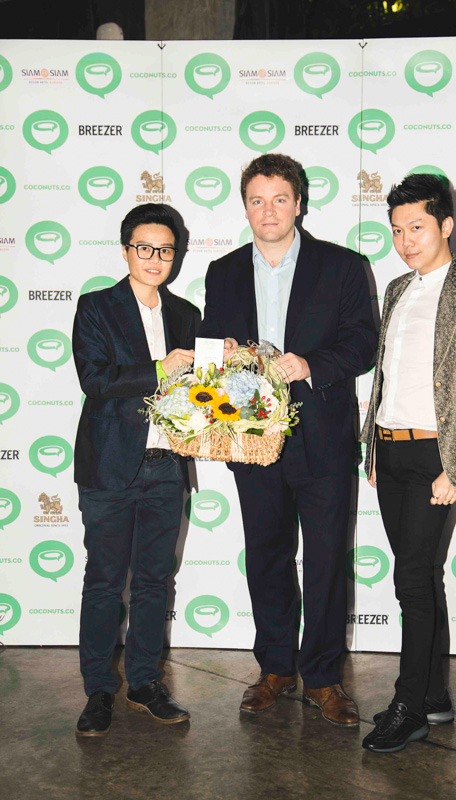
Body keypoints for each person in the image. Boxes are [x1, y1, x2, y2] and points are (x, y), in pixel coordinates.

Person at [199, 153, 377, 726]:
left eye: (280, 199)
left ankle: (323, 677)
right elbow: (210, 344)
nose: (268, 211)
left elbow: (363, 343)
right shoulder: (223, 271)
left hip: (323, 437)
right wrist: (222, 356)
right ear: (245, 207)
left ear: (299, 203)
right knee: (267, 555)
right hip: (251, 438)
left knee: (325, 559)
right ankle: (275, 667)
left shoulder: (343, 266)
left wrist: (310, 365)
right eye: (257, 200)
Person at [360, 174, 456, 753]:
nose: (405, 241)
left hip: (437, 456)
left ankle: (409, 706)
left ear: (447, 224)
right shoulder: (397, 288)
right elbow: (387, 376)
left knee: (411, 582)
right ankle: (435, 694)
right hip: (390, 448)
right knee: (421, 577)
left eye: (417, 227)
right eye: (397, 230)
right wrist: (374, 446)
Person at [73, 203, 200, 736]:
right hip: (109, 468)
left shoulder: (187, 314)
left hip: (167, 468)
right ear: (126, 250)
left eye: (165, 250)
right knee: (105, 582)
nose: (155, 258)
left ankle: (145, 682)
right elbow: (95, 380)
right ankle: (99, 689)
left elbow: (200, 390)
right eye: (144, 247)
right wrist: (158, 369)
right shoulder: (96, 307)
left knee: (154, 581)